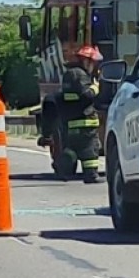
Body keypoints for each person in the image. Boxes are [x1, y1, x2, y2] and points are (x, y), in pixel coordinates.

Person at [58, 45, 104, 184]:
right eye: (93, 63)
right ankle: (91, 175)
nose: (94, 66)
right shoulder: (81, 75)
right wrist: (95, 87)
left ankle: (65, 171)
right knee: (90, 149)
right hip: (85, 123)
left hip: (72, 122)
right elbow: (86, 95)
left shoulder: (69, 74)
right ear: (86, 61)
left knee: (73, 148)